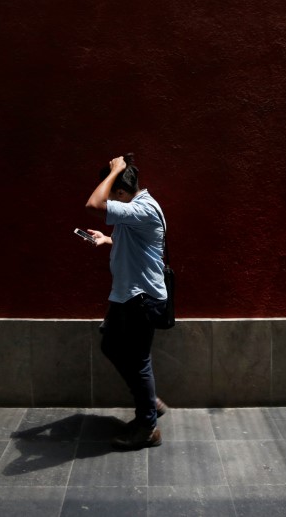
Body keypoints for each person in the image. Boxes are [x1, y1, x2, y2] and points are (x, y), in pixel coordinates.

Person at [84, 154, 169, 450]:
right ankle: (148, 403)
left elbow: (93, 205)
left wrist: (116, 169)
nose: (108, 195)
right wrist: (108, 240)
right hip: (128, 295)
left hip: (140, 298)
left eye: (111, 190)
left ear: (120, 192)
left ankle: (147, 426)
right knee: (111, 344)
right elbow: (139, 242)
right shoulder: (137, 207)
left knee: (138, 360)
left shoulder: (142, 208)